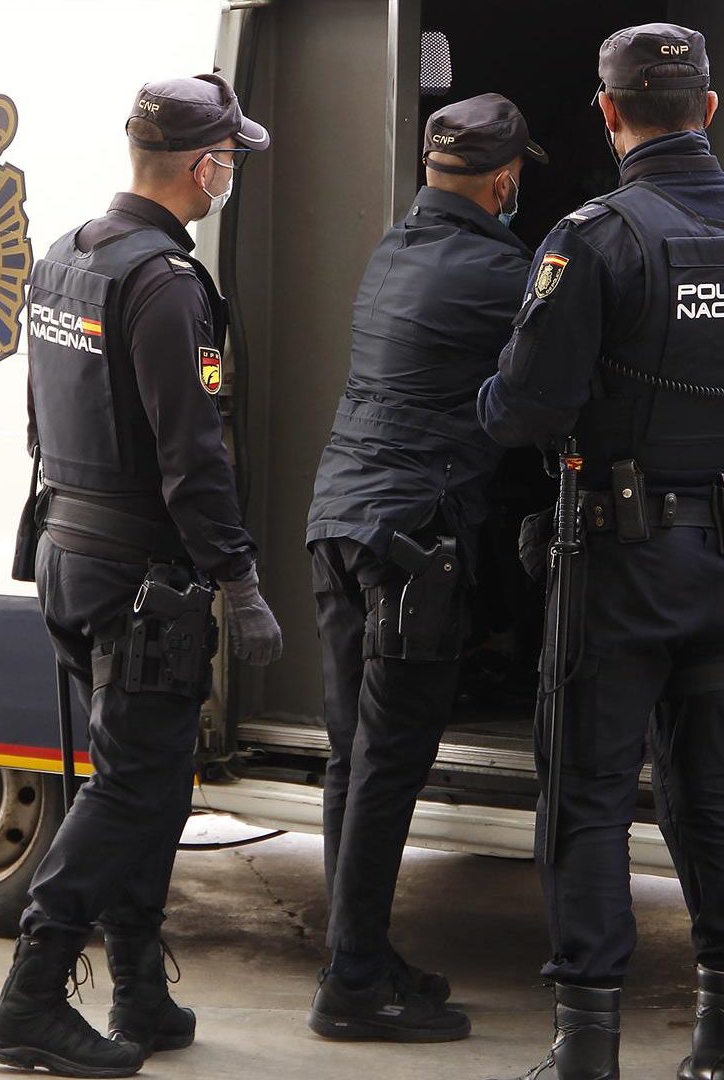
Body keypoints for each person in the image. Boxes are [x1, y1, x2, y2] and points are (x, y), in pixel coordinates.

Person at [478, 23, 724, 1080]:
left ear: (608, 113)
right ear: (708, 110)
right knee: (710, 793)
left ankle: (587, 1051)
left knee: (586, 792)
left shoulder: (594, 239)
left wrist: (489, 391)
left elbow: (527, 409)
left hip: (619, 570)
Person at [0, 73, 283, 1079]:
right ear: (203, 166)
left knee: (147, 785)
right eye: (229, 158)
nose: (231, 172)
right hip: (140, 578)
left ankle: (140, 990)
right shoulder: (166, 285)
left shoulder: (69, 257)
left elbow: (41, 415)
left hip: (68, 550)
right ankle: (32, 996)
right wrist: (239, 580)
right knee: (129, 788)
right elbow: (194, 454)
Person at [301, 93, 542, 1044]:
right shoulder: (502, 272)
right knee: (389, 764)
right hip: (410, 546)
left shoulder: (393, 250)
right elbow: (541, 395)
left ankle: (357, 953)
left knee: (351, 756)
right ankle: (352, 987)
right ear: (505, 183)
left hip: (339, 522)